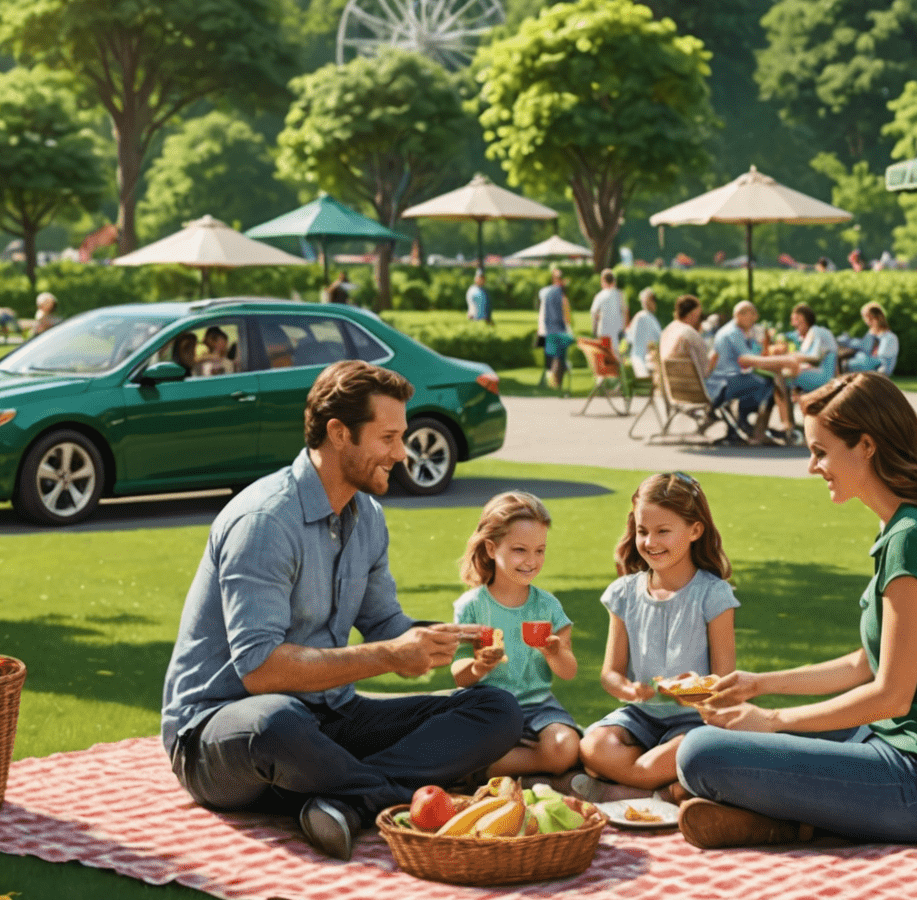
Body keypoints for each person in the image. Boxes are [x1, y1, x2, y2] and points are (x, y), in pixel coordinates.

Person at [161, 361, 523, 861]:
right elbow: (262, 671)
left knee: (497, 709)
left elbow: (384, 625)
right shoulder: (265, 522)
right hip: (220, 735)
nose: (401, 453)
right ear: (339, 433)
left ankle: (342, 800)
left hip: (329, 716)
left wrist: (442, 640)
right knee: (279, 723)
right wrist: (390, 656)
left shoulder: (367, 516)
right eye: (388, 437)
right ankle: (397, 800)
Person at [674, 372, 917, 850]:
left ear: (866, 446)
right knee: (737, 736)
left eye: (820, 451)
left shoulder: (913, 538)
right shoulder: (904, 528)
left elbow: (890, 695)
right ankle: (787, 821)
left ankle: (780, 820)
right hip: (901, 752)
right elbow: (863, 664)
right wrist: (761, 684)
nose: (812, 466)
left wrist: (774, 721)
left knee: (701, 753)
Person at [572, 472, 737, 798]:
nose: (650, 542)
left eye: (663, 531)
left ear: (695, 530)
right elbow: (610, 673)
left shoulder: (713, 595)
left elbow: (727, 683)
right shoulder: (624, 593)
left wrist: (697, 690)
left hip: (695, 721)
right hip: (639, 717)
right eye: (642, 531)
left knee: (695, 752)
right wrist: (628, 688)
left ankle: (621, 791)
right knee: (592, 747)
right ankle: (665, 790)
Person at [451, 491, 580, 779]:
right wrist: (479, 666)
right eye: (520, 550)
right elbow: (459, 675)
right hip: (488, 706)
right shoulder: (471, 607)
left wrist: (554, 652)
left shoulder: (548, 606)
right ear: (490, 548)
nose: (531, 561)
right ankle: (493, 762)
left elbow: (569, 671)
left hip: (538, 706)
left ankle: (480, 768)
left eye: (540, 550)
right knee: (453, 739)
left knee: (565, 747)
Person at [661, 295, 771, 443]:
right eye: (699, 315)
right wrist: (715, 357)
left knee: (747, 380)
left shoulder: (668, 331)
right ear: (693, 314)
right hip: (706, 390)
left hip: (678, 389)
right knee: (765, 383)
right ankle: (748, 425)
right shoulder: (689, 334)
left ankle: (740, 425)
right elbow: (707, 371)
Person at [712, 300, 794, 438]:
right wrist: (782, 360)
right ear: (739, 315)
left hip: (724, 379)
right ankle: (751, 425)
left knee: (765, 381)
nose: (754, 320)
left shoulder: (733, 331)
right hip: (725, 382)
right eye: (752, 316)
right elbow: (748, 359)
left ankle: (747, 423)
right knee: (771, 385)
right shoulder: (733, 333)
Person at [784, 302, 838, 393]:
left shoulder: (816, 331)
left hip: (823, 378)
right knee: (786, 374)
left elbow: (815, 357)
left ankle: (788, 405)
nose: (792, 323)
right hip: (823, 374)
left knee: (784, 377)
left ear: (801, 318)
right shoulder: (810, 334)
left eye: (793, 319)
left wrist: (792, 356)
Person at [537, 267, 574, 388]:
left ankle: (552, 382)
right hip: (556, 330)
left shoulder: (547, 293)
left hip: (548, 330)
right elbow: (566, 316)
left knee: (552, 357)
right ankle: (555, 382)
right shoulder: (560, 295)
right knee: (558, 358)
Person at [844, 302, 900, 376]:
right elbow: (862, 347)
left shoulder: (889, 338)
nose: (866, 321)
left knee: (844, 364)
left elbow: (884, 363)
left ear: (875, 318)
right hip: (865, 366)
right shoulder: (871, 336)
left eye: (867, 318)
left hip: (875, 370)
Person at [624, 286, 662, 381]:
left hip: (642, 356)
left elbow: (629, 337)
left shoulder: (643, 317)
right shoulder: (644, 317)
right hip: (645, 358)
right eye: (653, 301)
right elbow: (659, 339)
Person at [590, 269, 627, 355]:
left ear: (603, 280)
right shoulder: (619, 294)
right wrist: (624, 329)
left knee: (605, 355)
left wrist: (594, 330)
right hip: (617, 330)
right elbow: (624, 311)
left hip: (604, 331)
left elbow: (594, 313)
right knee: (616, 354)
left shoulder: (600, 296)